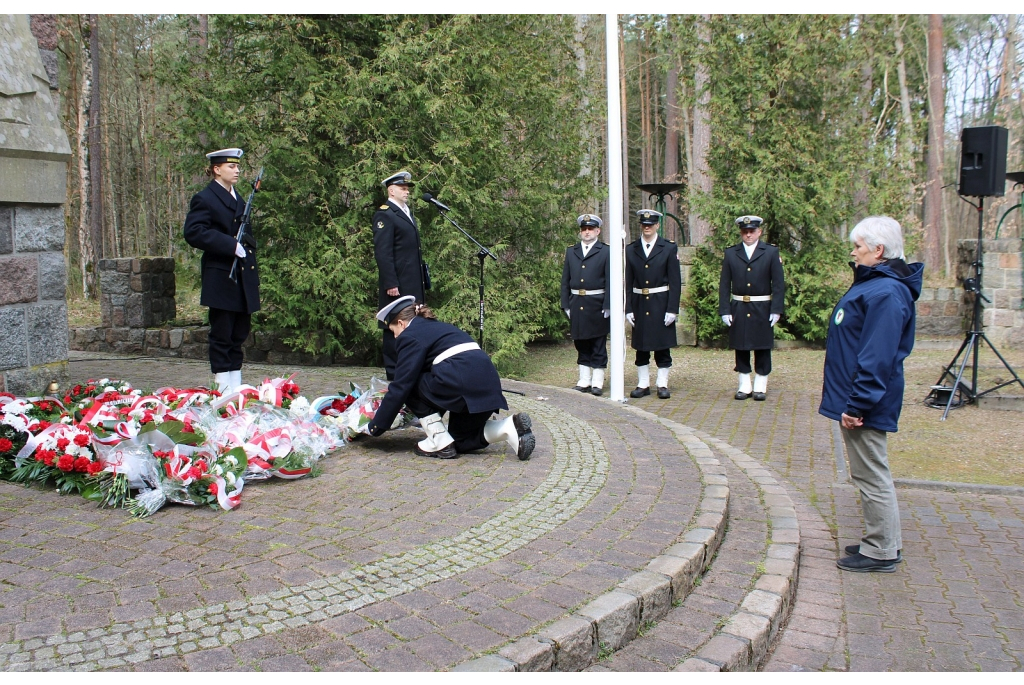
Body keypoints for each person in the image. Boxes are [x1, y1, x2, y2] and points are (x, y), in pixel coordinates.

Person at [819, 216, 923, 573]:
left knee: (871, 473)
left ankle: (881, 550)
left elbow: (876, 357)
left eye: (859, 247)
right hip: (858, 398)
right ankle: (882, 540)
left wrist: (857, 404)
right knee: (867, 472)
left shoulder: (886, 292)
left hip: (865, 402)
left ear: (878, 251)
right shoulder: (877, 285)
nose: (853, 252)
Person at [366, 295, 535, 461]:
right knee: (460, 440)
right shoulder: (438, 327)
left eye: (393, 331)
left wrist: (376, 426)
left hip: (462, 384)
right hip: (487, 387)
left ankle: (438, 441)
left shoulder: (410, 335)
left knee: (408, 384)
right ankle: (508, 427)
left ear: (401, 324)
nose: (395, 337)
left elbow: (402, 385)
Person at [183, 147, 260, 393]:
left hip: (242, 274)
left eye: (237, 166)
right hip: (222, 275)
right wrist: (229, 245)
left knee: (238, 333)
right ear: (217, 170)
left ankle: (235, 387)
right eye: (231, 167)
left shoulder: (239, 197)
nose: (237, 170)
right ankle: (222, 390)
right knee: (222, 333)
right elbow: (194, 232)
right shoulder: (205, 198)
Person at [718, 215, 786, 401]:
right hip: (739, 305)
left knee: (762, 346)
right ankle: (744, 384)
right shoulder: (731, 253)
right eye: (745, 231)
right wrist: (725, 310)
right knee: (741, 345)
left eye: (752, 231)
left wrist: (776, 309)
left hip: (762, 306)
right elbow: (724, 284)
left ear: (759, 232)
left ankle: (760, 385)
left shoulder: (770, 252)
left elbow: (778, 284)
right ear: (741, 232)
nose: (748, 235)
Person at [373, 170, 427, 380]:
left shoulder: (405, 212)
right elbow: (383, 252)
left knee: (412, 325)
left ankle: (409, 372)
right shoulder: (385, 214)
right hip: (397, 284)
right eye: (403, 188)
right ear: (391, 189)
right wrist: (390, 282)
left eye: (407, 189)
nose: (407, 192)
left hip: (412, 281)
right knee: (393, 326)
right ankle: (394, 375)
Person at [625, 209, 682, 399]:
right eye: (644, 224)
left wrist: (672, 309)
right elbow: (629, 280)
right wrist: (629, 308)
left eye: (651, 224)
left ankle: (662, 384)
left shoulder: (668, 248)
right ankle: (643, 384)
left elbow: (675, 281)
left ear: (657, 225)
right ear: (641, 226)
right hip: (640, 303)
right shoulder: (631, 249)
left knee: (662, 346)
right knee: (641, 348)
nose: (647, 227)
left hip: (661, 303)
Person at [560, 214, 611, 396]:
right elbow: (565, 280)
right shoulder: (572, 251)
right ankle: (584, 380)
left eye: (590, 229)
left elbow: (610, 281)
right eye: (584, 229)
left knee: (597, 343)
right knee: (580, 342)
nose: (587, 232)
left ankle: (597, 381)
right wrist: (565, 304)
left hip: (597, 304)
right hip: (577, 303)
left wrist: (608, 305)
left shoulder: (605, 251)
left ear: (598, 231)